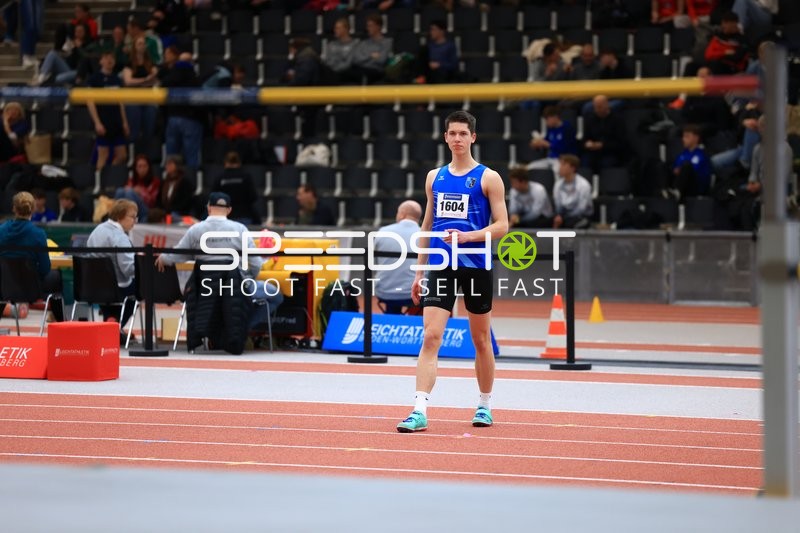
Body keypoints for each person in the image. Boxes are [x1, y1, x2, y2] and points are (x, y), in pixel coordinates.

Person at [397, 110, 509, 433]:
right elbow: (428, 225)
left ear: (473, 137)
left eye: (463, 133)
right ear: (445, 137)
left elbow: (502, 225)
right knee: (431, 336)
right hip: (441, 266)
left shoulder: (489, 178)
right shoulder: (435, 177)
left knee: (480, 340)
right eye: (452, 134)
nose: (457, 139)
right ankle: (419, 410)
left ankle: (485, 404)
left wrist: (468, 237)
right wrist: (419, 272)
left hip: (476, 266)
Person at [155, 192, 283, 334]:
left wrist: (163, 258)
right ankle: (239, 330)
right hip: (235, 288)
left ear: (209, 208)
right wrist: (247, 279)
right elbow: (257, 264)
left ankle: (222, 332)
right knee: (275, 295)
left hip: (204, 288)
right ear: (229, 210)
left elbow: (177, 255)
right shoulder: (240, 229)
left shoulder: (195, 230)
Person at [0, 191, 65, 322]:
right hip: (31, 288)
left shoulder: (1, 230)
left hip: (4, 286)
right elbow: (45, 268)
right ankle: (60, 322)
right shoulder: (38, 234)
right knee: (56, 276)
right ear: (33, 209)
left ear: (14, 208)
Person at [84, 198, 138, 333]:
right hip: (117, 289)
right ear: (120, 216)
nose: (134, 222)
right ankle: (115, 327)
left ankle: (110, 323)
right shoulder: (120, 237)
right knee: (142, 288)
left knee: (111, 290)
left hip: (93, 287)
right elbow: (129, 269)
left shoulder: (96, 231)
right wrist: (143, 266)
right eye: (132, 217)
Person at [374, 199, 422, 314]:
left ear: (401, 214)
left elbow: (375, 262)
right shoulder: (425, 236)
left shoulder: (382, 231)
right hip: (414, 293)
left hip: (384, 291)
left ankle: (391, 319)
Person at [87, 51, 129, 170]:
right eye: (106, 58)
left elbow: (120, 102)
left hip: (116, 121)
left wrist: (124, 122)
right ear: (101, 61)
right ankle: (99, 184)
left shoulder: (117, 80)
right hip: (103, 120)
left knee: (122, 155)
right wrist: (97, 122)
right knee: (103, 155)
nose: (109, 60)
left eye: (112, 58)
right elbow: (90, 102)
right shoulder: (94, 79)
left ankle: (109, 175)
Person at [212, 151, 260, 226]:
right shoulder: (246, 177)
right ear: (239, 162)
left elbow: (213, 198)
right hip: (244, 216)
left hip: (225, 217)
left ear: (225, 162)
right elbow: (253, 197)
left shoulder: (220, 178)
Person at [115, 154, 161, 222]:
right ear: (136, 168)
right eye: (139, 166)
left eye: (145, 166)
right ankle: (117, 219)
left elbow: (152, 201)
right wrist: (134, 191)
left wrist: (141, 192)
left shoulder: (155, 182)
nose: (142, 169)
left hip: (147, 209)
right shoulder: (131, 180)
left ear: (149, 167)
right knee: (120, 191)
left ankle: (130, 219)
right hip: (131, 206)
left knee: (130, 193)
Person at [552, 154, 593, 229]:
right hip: (563, 215)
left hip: (581, 216)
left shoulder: (583, 185)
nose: (560, 168)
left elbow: (581, 209)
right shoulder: (558, 184)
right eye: (560, 164)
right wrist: (559, 216)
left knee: (571, 223)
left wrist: (563, 218)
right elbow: (558, 205)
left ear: (572, 168)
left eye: (563, 165)